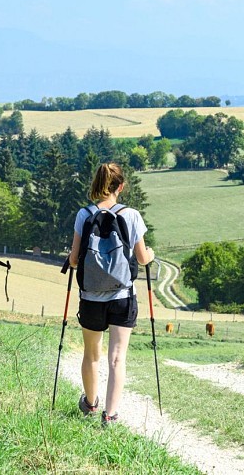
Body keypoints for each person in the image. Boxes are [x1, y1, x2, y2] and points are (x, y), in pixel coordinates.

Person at [68, 162, 154, 426]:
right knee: (117, 357)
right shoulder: (131, 215)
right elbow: (141, 258)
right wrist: (150, 255)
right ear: (121, 187)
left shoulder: (84, 214)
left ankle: (91, 404)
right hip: (123, 297)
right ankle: (110, 414)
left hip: (91, 297)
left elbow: (73, 260)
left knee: (91, 353)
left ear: (97, 183)